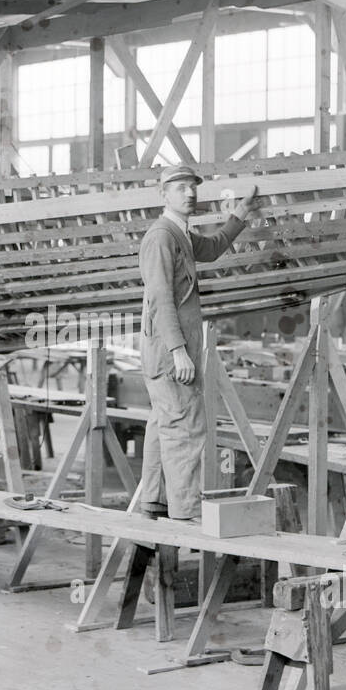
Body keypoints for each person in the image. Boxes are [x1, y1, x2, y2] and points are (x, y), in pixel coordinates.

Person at [139, 164, 260, 521]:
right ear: (163, 194)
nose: (189, 193)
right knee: (186, 426)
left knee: (164, 422)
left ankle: (155, 500)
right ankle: (185, 513)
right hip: (168, 350)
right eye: (179, 188)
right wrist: (179, 352)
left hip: (168, 348)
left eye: (192, 187)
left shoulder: (181, 234)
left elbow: (211, 249)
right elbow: (160, 298)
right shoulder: (161, 236)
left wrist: (239, 214)